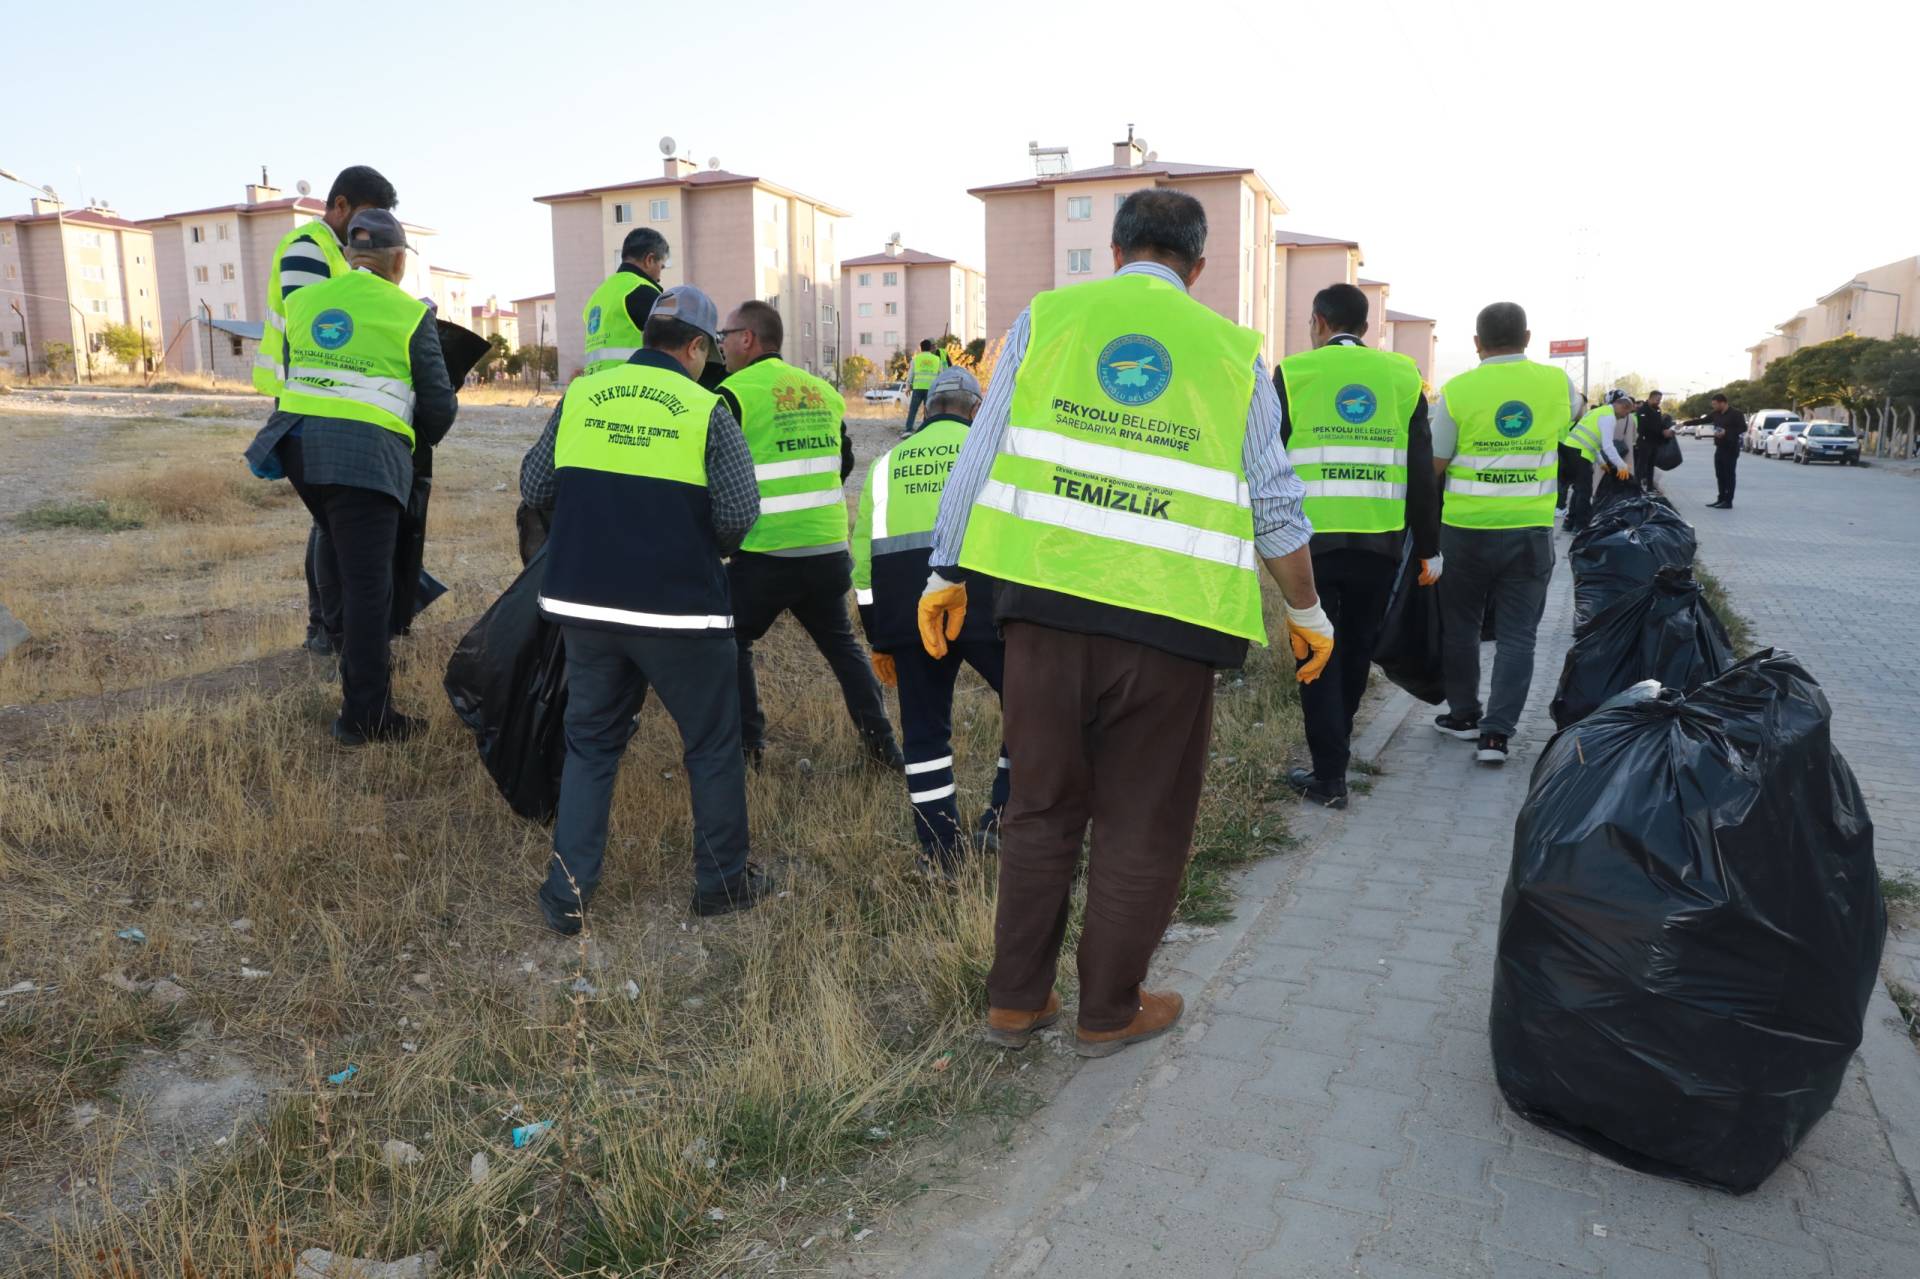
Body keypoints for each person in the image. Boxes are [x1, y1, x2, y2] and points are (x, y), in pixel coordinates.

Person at [921, 188, 1331, 1058]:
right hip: (1171, 633)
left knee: (1038, 809)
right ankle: (1107, 1010)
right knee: (1142, 822)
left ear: (1113, 253)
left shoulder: (1049, 318)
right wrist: (1307, 609)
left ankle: (1013, 1004)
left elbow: (979, 452)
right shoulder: (1231, 352)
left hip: (1043, 613)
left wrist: (944, 570)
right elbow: (1278, 504)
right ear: (1200, 265)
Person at [518, 286, 770, 929]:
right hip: (679, 611)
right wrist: (689, 543)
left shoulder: (582, 395)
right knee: (712, 745)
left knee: (592, 745)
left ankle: (566, 895)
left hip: (585, 606)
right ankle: (720, 883)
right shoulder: (705, 408)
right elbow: (739, 514)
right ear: (694, 346)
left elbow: (536, 483)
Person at [243, 210, 457, 744]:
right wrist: (412, 432)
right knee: (370, 587)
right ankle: (365, 716)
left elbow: (304, 374)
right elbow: (439, 406)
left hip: (297, 449)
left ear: (351, 257)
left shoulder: (306, 302)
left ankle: (342, 651)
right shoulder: (407, 313)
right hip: (363, 461)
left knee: (340, 552)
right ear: (399, 262)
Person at [717, 300, 904, 770]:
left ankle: (748, 749)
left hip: (766, 552)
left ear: (748, 338)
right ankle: (883, 747)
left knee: (731, 638)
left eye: (725, 334)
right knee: (842, 645)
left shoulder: (733, 394)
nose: (720, 343)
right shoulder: (822, 391)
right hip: (825, 552)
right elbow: (842, 463)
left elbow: (716, 472)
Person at [1276, 283, 1439, 809]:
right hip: (1380, 541)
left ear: (1320, 322)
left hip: (1310, 544)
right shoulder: (1402, 377)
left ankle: (1329, 775)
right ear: (1366, 327)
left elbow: (1268, 461)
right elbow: (1420, 469)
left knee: (1317, 647)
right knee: (1357, 646)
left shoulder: (1293, 374)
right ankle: (1337, 749)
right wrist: (1429, 547)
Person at [852, 365, 1008, 874]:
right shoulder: (993, 456)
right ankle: (1001, 819)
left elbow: (863, 564)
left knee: (923, 736)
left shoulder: (886, 464)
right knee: (1032, 708)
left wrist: (880, 637)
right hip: (985, 607)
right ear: (976, 410)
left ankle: (939, 853)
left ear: (926, 407)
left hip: (909, 615)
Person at [250, 165, 400, 657]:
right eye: (362, 217)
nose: (366, 231)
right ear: (338, 206)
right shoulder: (308, 248)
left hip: (330, 396)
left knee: (335, 523)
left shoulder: (335, 253)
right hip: (309, 398)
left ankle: (333, 627)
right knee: (329, 522)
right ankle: (324, 627)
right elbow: (313, 323)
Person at [1430, 301, 1578, 765]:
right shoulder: (1557, 383)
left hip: (1465, 531)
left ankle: (1463, 716)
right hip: (1529, 532)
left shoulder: (1458, 391)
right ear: (1528, 338)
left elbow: (1435, 463)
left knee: (1461, 628)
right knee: (1518, 636)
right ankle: (1496, 736)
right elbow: (1569, 420)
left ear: (1476, 344)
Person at [581, 227, 667, 375]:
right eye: (661, 266)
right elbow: (672, 347)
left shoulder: (597, 296)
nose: (660, 277)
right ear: (650, 260)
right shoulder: (642, 291)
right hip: (631, 388)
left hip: (597, 390)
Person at [1566, 391, 1634, 527]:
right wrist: (1622, 465)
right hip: (1581, 454)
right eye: (1626, 413)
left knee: (1578, 490)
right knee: (1585, 492)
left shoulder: (1598, 411)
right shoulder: (1609, 417)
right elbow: (1608, 446)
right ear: (1622, 407)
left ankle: (1569, 522)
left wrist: (1602, 463)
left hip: (1569, 451)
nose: (1625, 417)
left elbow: (1592, 441)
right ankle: (1581, 526)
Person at [1683, 393, 1745, 509]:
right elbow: (1703, 420)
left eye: (1715, 404)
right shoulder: (1715, 413)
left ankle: (1728, 501)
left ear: (1723, 403)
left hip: (1731, 448)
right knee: (1719, 474)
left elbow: (1743, 428)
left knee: (1729, 475)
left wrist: (1726, 432)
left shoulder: (1736, 414)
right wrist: (1685, 423)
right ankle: (1720, 498)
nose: (1714, 406)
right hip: (1719, 447)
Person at [1632, 390, 1676, 491]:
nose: (1659, 402)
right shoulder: (1642, 410)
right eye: (1657, 399)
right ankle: (1636, 487)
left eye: (1660, 400)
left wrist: (1666, 430)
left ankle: (1650, 486)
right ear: (1651, 398)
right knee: (1641, 465)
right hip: (1645, 441)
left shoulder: (1657, 410)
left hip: (1654, 442)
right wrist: (1662, 432)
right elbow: (1645, 426)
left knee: (1651, 465)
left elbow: (1659, 423)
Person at [903, 339, 942, 434]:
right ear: (930, 348)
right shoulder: (937, 359)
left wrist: (908, 386)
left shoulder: (916, 359)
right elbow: (941, 375)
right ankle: (925, 430)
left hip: (918, 388)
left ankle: (908, 429)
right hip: (931, 389)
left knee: (913, 409)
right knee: (928, 410)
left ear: (921, 348)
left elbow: (911, 374)